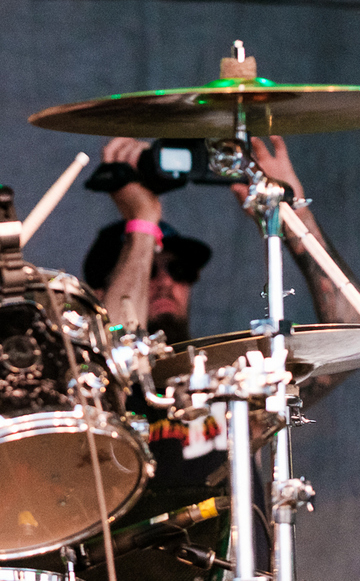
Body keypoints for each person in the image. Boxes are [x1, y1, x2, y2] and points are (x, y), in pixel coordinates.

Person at [79, 135, 360, 580]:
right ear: (98, 292)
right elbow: (111, 346)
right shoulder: (90, 396)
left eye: (181, 269)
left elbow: (351, 325)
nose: (166, 282)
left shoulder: (232, 382)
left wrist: (291, 211)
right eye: (150, 267)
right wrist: (142, 222)